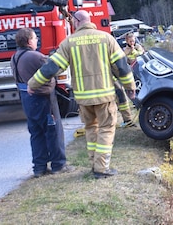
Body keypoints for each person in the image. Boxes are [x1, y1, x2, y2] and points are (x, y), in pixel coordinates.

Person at [27, 10, 135, 179]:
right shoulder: (106, 38)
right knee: (106, 129)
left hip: (83, 99)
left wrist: (32, 84)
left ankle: (94, 163)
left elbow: (51, 68)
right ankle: (101, 168)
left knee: (91, 129)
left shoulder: (69, 43)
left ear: (76, 22)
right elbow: (121, 66)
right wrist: (130, 86)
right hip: (104, 96)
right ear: (89, 21)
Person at [11, 28, 70, 178]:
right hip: (43, 99)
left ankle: (39, 167)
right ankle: (58, 164)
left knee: (36, 133)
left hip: (26, 100)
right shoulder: (35, 57)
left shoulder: (15, 57)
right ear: (29, 41)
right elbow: (52, 70)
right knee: (53, 131)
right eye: (35, 38)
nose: (37, 40)